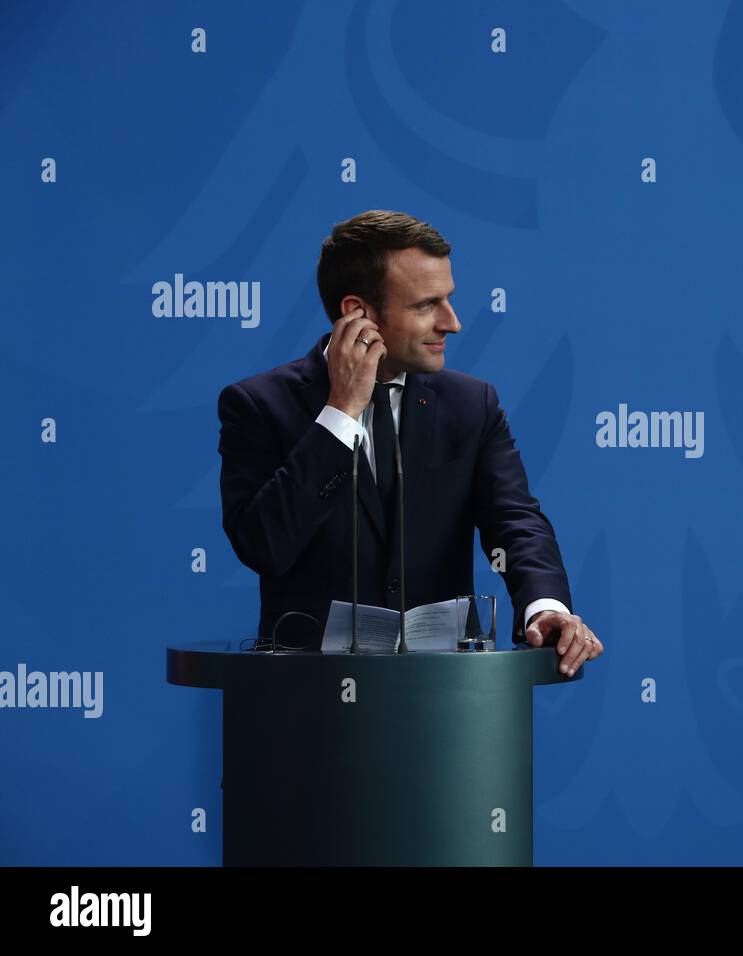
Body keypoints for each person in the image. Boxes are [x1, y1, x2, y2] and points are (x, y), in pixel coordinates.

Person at [217, 209, 603, 676]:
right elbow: (264, 547)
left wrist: (546, 607)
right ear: (358, 313)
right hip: (308, 705)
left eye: (449, 300)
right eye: (425, 306)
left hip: (446, 700)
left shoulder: (471, 404)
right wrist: (339, 413)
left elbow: (514, 519)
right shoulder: (258, 405)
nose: (452, 322)